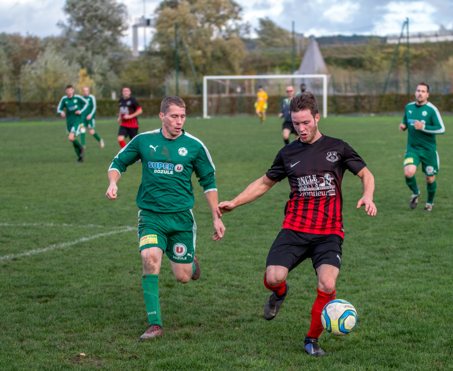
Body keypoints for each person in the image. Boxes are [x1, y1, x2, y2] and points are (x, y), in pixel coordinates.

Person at [217, 92, 376, 357]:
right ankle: (280, 293)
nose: (300, 129)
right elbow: (265, 182)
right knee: (273, 277)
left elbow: (365, 173)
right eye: (295, 124)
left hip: (329, 232)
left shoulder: (338, 148)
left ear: (316, 117)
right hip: (295, 228)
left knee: (327, 284)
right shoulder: (288, 153)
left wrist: (367, 194)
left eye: (305, 122)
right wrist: (235, 202)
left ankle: (311, 339)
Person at [106, 96, 225, 339]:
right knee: (150, 259)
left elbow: (208, 182)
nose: (179, 121)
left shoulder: (194, 146)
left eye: (182, 116)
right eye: (174, 116)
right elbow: (118, 162)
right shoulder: (144, 141)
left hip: (181, 219)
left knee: (182, 277)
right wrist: (112, 183)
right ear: (162, 116)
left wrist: (216, 217)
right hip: (151, 216)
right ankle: (155, 325)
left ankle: (190, 264)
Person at [399, 82, 445, 211]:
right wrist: (403, 126)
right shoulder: (408, 107)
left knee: (429, 178)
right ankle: (415, 193)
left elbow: (441, 129)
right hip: (412, 149)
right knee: (408, 173)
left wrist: (423, 127)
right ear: (415, 92)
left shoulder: (432, 110)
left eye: (423, 91)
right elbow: (406, 120)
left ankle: (429, 202)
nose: (420, 93)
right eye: (418, 90)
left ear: (427, 94)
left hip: (429, 151)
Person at [57, 85, 88, 162]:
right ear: (66, 91)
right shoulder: (64, 99)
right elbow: (59, 108)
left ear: (73, 90)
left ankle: (81, 147)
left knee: (71, 137)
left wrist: (80, 111)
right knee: (73, 140)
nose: (69, 92)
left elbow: (86, 103)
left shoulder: (77, 98)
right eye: (68, 90)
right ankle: (80, 158)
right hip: (69, 122)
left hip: (76, 121)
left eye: (71, 90)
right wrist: (61, 112)